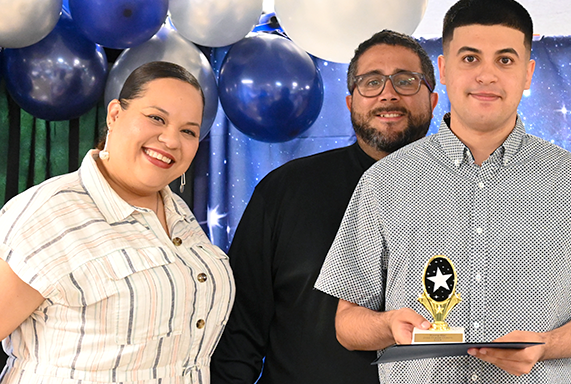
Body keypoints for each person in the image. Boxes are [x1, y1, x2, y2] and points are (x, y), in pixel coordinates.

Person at [314, 0, 571, 383]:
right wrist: (388, 327)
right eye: (470, 58)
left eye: (505, 60)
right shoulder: (385, 182)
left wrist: (547, 344)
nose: (486, 75)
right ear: (444, 68)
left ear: (527, 74)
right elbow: (347, 323)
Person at [210, 29, 438, 384]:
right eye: (371, 82)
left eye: (406, 81)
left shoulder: (469, 197)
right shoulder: (284, 191)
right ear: (350, 102)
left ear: (433, 100)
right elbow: (239, 335)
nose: (388, 94)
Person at [0, 61, 233, 383]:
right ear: (114, 115)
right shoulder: (48, 212)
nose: (170, 140)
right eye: (156, 118)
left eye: (188, 131)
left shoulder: (178, 212)